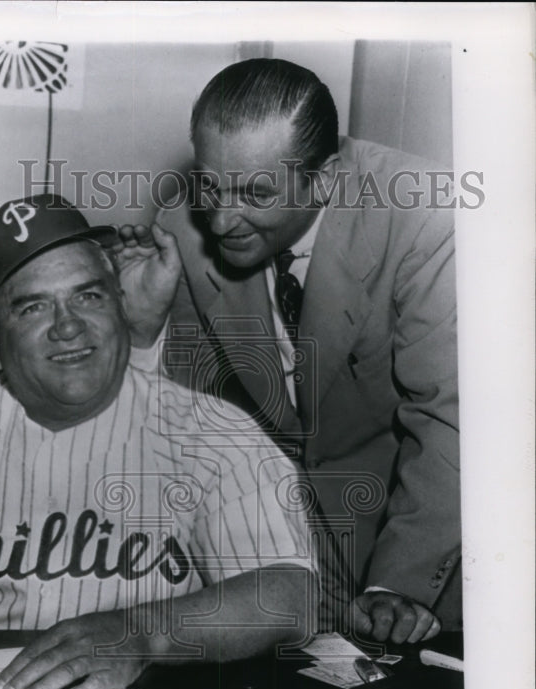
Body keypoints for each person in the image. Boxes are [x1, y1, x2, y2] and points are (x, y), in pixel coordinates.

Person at [0, 194, 317, 689]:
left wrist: (141, 632)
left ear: (119, 304)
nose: (67, 325)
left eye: (89, 296)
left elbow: (288, 596)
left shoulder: (209, 433)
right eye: (33, 307)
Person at [118, 57, 460, 645]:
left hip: (419, 553)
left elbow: (453, 418)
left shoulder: (425, 218)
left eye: (255, 192)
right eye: (210, 185)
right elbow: (191, 420)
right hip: (282, 555)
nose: (222, 221)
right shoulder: (181, 222)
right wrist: (141, 327)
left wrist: (398, 587)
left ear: (324, 179)